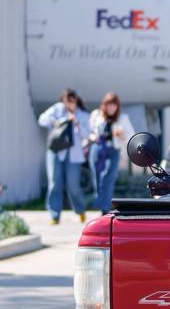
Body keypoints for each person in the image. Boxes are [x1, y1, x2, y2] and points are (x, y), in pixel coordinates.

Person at [37, 89, 88, 224]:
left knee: (73, 185)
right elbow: (42, 119)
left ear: (76, 101)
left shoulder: (83, 115)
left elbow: (87, 135)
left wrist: (76, 123)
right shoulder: (58, 109)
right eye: (66, 101)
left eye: (72, 101)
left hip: (74, 155)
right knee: (54, 183)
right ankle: (54, 215)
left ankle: (80, 210)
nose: (69, 104)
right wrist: (59, 121)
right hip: (55, 151)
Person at [88, 92, 134, 214]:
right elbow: (88, 131)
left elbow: (131, 136)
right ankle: (99, 200)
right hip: (98, 148)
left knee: (109, 177)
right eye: (109, 104)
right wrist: (93, 137)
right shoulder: (96, 115)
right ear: (104, 105)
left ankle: (105, 208)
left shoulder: (122, 118)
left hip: (113, 149)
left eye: (114, 105)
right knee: (97, 176)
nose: (111, 107)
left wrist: (121, 135)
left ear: (117, 106)